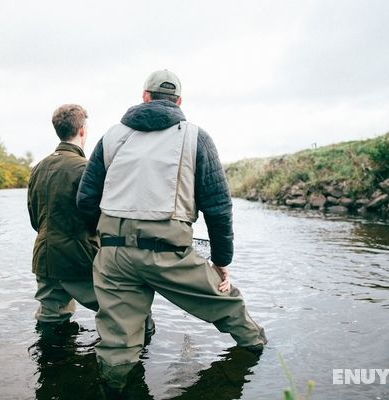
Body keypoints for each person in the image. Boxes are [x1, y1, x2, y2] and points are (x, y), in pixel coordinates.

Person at [77, 70, 267, 388]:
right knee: (230, 307)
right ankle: (261, 363)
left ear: (145, 97)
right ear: (179, 101)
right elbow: (218, 208)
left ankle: (116, 389)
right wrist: (221, 262)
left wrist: (104, 244)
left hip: (113, 254)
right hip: (169, 253)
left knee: (117, 348)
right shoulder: (196, 137)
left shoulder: (110, 137)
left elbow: (86, 201)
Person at [27, 104, 155, 339]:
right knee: (131, 312)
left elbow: (35, 219)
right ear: (83, 131)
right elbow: (100, 219)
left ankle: (49, 371)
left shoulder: (37, 168)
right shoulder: (87, 169)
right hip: (79, 258)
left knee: (51, 320)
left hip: (44, 258)